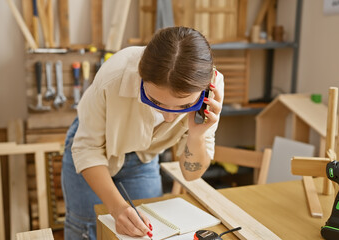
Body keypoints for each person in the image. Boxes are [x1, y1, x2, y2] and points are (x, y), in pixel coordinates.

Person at [61, 26, 224, 240]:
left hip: (143, 155)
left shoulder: (212, 90)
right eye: (155, 102)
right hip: (94, 149)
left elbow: (191, 174)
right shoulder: (115, 74)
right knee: (86, 228)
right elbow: (87, 148)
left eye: (184, 105)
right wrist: (117, 207)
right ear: (141, 77)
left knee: (145, 232)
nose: (168, 118)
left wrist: (197, 135)